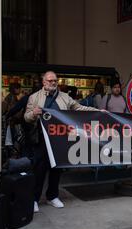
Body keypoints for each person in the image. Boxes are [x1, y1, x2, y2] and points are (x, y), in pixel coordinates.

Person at [25, 71, 98, 213]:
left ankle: (52, 196)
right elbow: (26, 117)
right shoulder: (34, 97)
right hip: (41, 140)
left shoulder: (65, 97)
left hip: (59, 140)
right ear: (44, 82)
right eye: (50, 80)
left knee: (56, 169)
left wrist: (98, 111)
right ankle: (34, 199)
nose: (53, 83)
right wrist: (33, 113)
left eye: (55, 81)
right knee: (39, 170)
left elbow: (80, 108)